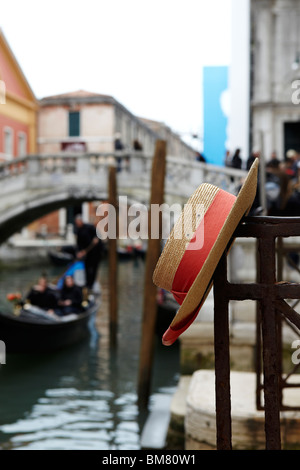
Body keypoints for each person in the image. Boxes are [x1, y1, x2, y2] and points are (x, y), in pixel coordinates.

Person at [74, 215, 103, 291]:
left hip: (95, 252)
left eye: (78, 222)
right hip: (87, 253)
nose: (77, 224)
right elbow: (78, 243)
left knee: (94, 268)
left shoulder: (89, 227)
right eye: (76, 223)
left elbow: (98, 235)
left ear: (81, 221)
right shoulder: (78, 231)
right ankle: (87, 284)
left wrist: (96, 239)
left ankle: (91, 284)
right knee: (87, 268)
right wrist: (79, 252)